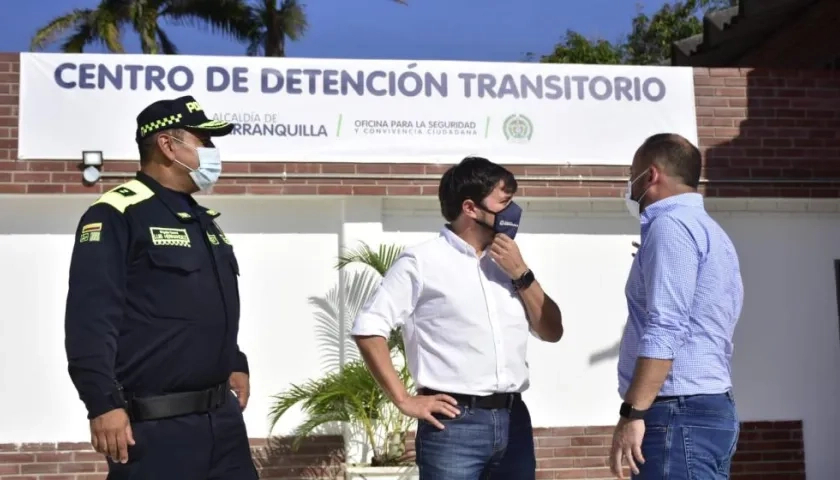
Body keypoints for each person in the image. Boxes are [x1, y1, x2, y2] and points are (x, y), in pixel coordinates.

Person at [64, 95, 257, 480]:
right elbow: (90, 319)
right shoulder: (116, 214)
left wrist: (233, 361)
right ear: (169, 145)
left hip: (223, 423)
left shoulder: (201, 218)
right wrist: (102, 403)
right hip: (155, 428)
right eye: (205, 141)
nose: (213, 152)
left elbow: (202, 304)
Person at [351, 156, 564, 480]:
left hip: (513, 420)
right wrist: (405, 400)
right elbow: (368, 328)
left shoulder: (508, 264)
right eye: (503, 202)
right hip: (453, 425)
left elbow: (552, 331)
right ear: (470, 208)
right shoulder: (422, 261)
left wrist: (521, 273)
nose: (512, 211)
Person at [609, 133, 744, 479]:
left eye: (632, 175)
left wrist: (633, 413)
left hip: (675, 413)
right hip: (706, 408)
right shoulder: (712, 232)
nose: (629, 185)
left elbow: (666, 326)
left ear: (650, 175)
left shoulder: (669, 226)